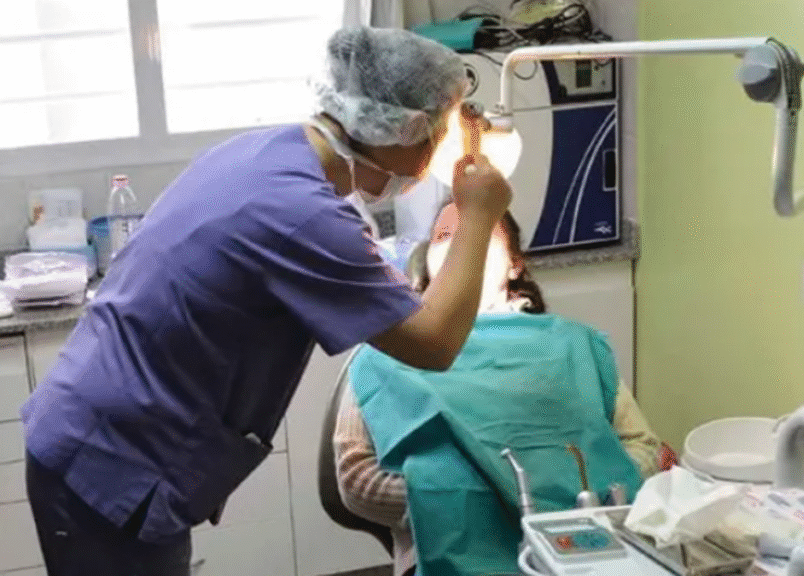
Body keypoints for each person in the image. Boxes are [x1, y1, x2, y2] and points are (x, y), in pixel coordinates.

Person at [20, 27, 512, 576]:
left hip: (100, 428)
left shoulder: (263, 153)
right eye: (440, 132)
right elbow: (435, 343)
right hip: (112, 463)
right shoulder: (302, 214)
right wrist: (477, 214)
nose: (440, 148)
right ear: (404, 130)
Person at [334, 203, 664, 576]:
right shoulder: (387, 352)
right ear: (427, 263)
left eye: (481, 233)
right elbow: (356, 481)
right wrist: (457, 499)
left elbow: (643, 448)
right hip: (442, 549)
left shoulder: (577, 346)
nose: (460, 246)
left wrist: (585, 493)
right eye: (445, 236)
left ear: (515, 264)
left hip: (587, 545)